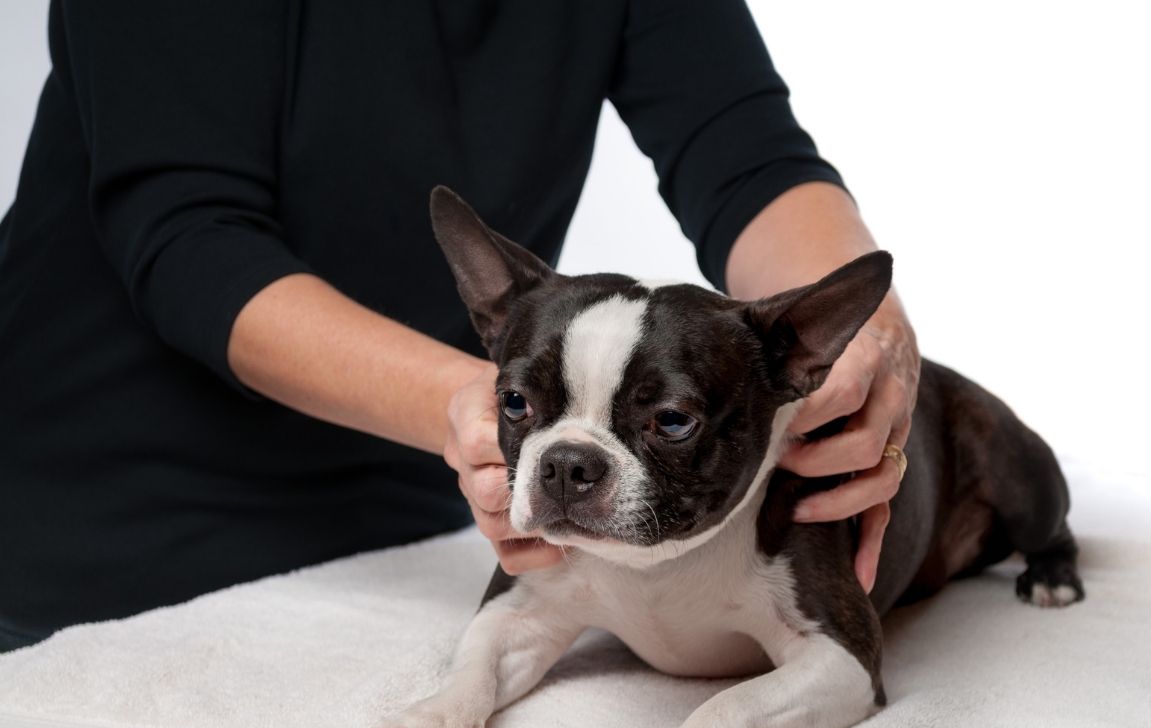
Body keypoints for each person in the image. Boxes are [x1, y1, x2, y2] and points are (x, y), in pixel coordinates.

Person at [0, 0, 919, 651]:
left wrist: (863, 336)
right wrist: (473, 404)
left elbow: (750, 160)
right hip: (97, 531)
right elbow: (189, 241)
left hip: (418, 534)